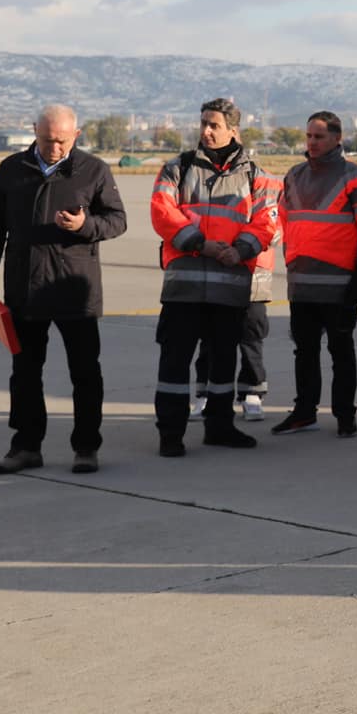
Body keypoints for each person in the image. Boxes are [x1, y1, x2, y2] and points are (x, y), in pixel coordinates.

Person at [0, 104, 128, 474]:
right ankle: (26, 446)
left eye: (61, 141)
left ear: (76, 135)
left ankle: (86, 447)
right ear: (34, 132)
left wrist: (84, 225)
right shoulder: (13, 169)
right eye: (46, 140)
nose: (54, 148)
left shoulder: (94, 170)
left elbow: (117, 220)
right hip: (25, 288)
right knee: (25, 372)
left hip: (76, 291)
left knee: (85, 373)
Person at [149, 98, 278, 456]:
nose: (205, 131)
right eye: (203, 123)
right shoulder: (177, 168)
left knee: (223, 361)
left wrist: (239, 250)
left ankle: (220, 427)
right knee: (174, 362)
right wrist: (202, 245)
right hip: (184, 289)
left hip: (230, 287)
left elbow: (267, 220)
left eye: (214, 125)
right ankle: (170, 433)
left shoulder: (258, 175)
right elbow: (163, 213)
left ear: (233, 131)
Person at [269, 112, 357, 439]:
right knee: (304, 353)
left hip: (340, 285)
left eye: (319, 137)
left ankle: (345, 415)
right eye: (308, 136)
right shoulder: (294, 176)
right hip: (302, 284)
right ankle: (304, 412)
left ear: (337, 138)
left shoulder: (356, 177)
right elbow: (284, 223)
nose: (312, 143)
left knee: (341, 351)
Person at [194, 163, 280, 421]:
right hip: (218, 268)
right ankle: (205, 392)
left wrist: (242, 244)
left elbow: (274, 229)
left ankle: (252, 392)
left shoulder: (266, 183)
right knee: (209, 335)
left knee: (251, 334)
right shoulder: (207, 183)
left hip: (253, 274)